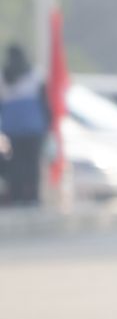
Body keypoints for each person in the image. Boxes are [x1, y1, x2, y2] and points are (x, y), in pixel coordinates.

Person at [0, 44, 50, 206]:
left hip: (13, 128)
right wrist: (48, 123)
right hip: (33, 127)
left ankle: (17, 195)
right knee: (32, 163)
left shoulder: (4, 77)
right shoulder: (35, 75)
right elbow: (45, 103)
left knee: (16, 162)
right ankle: (32, 197)